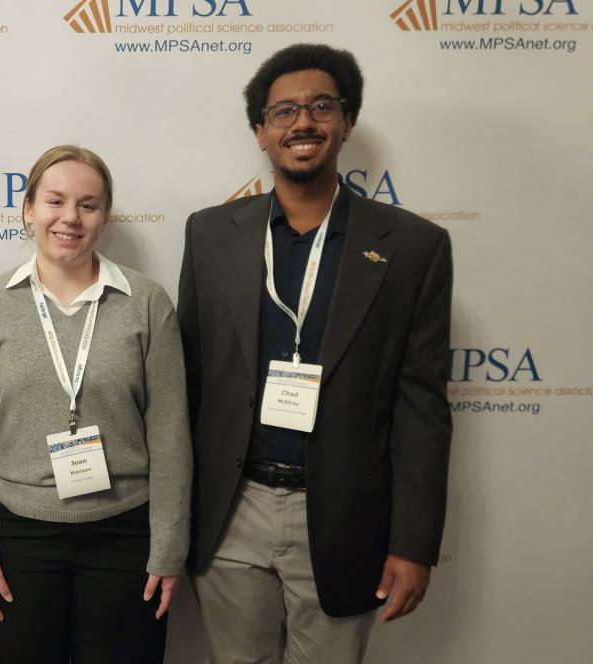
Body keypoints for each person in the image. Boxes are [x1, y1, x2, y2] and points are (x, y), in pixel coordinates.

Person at [178, 43, 453, 663]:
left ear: (346, 121)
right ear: (260, 132)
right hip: (231, 512)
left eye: (320, 107)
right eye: (283, 112)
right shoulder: (210, 234)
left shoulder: (413, 247)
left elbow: (422, 408)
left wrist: (414, 544)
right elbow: (187, 382)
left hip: (343, 516)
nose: (302, 122)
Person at [0, 145, 191, 664]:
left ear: (104, 218)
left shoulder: (147, 304)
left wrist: (169, 549)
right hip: (19, 539)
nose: (69, 217)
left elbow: (170, 436)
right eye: (54, 201)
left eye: (88, 204)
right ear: (28, 209)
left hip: (126, 536)